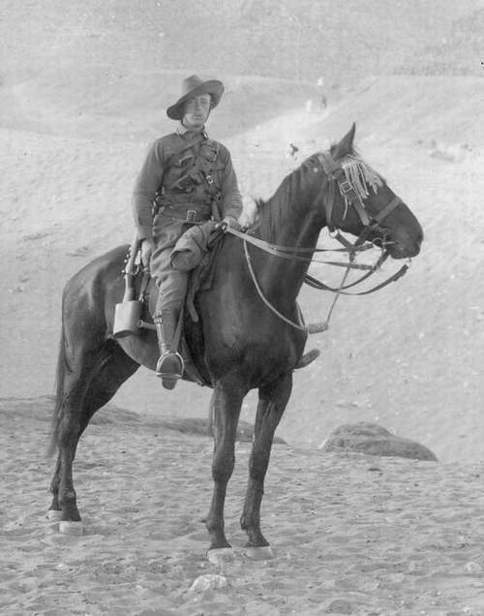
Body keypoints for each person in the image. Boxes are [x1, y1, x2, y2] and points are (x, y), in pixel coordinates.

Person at [132, 75, 243, 390]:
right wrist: (146, 238)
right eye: (193, 103)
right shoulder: (162, 148)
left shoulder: (220, 154)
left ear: (209, 110)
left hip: (212, 229)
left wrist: (233, 217)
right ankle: (169, 354)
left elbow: (232, 194)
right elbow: (142, 194)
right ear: (182, 108)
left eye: (204, 103)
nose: (198, 108)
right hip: (171, 229)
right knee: (175, 278)